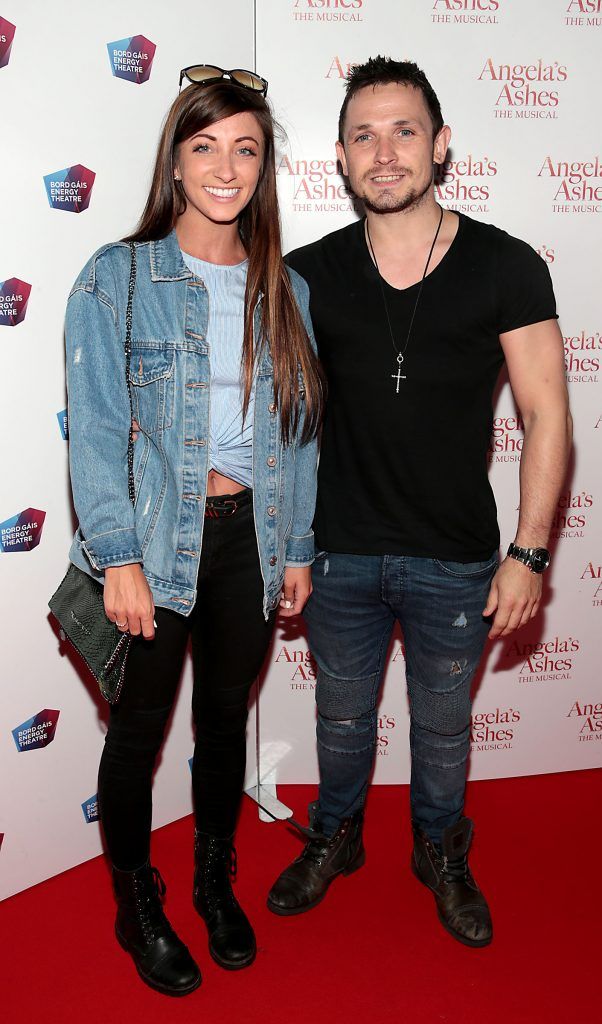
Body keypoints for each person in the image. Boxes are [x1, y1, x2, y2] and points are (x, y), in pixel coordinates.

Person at [267, 57, 571, 948]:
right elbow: (270, 418)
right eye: (364, 134)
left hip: (458, 558)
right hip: (338, 554)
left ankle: (440, 847)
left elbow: (548, 414)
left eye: (405, 131)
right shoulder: (305, 275)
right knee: (342, 717)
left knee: (442, 730)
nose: (385, 151)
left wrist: (530, 553)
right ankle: (337, 835)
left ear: (441, 145)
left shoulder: (506, 265)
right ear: (340, 156)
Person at [65, 65, 323, 995]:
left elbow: (297, 431)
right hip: (154, 541)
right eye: (206, 146)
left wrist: (295, 549)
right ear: (176, 161)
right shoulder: (119, 274)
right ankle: (138, 901)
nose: (226, 166)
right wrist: (118, 556)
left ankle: (216, 880)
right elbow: (93, 426)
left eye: (246, 148)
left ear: (262, 168)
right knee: (136, 736)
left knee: (222, 726)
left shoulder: (286, 288)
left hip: (251, 541)